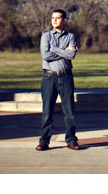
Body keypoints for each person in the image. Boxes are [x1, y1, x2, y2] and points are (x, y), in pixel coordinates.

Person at [36, 9, 80, 151]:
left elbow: (72, 55)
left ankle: (71, 140)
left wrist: (54, 49)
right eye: (53, 17)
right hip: (49, 77)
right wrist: (63, 51)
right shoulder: (46, 36)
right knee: (47, 111)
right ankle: (44, 141)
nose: (54, 20)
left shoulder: (71, 36)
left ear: (64, 20)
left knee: (69, 112)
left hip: (66, 77)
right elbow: (45, 55)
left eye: (58, 18)